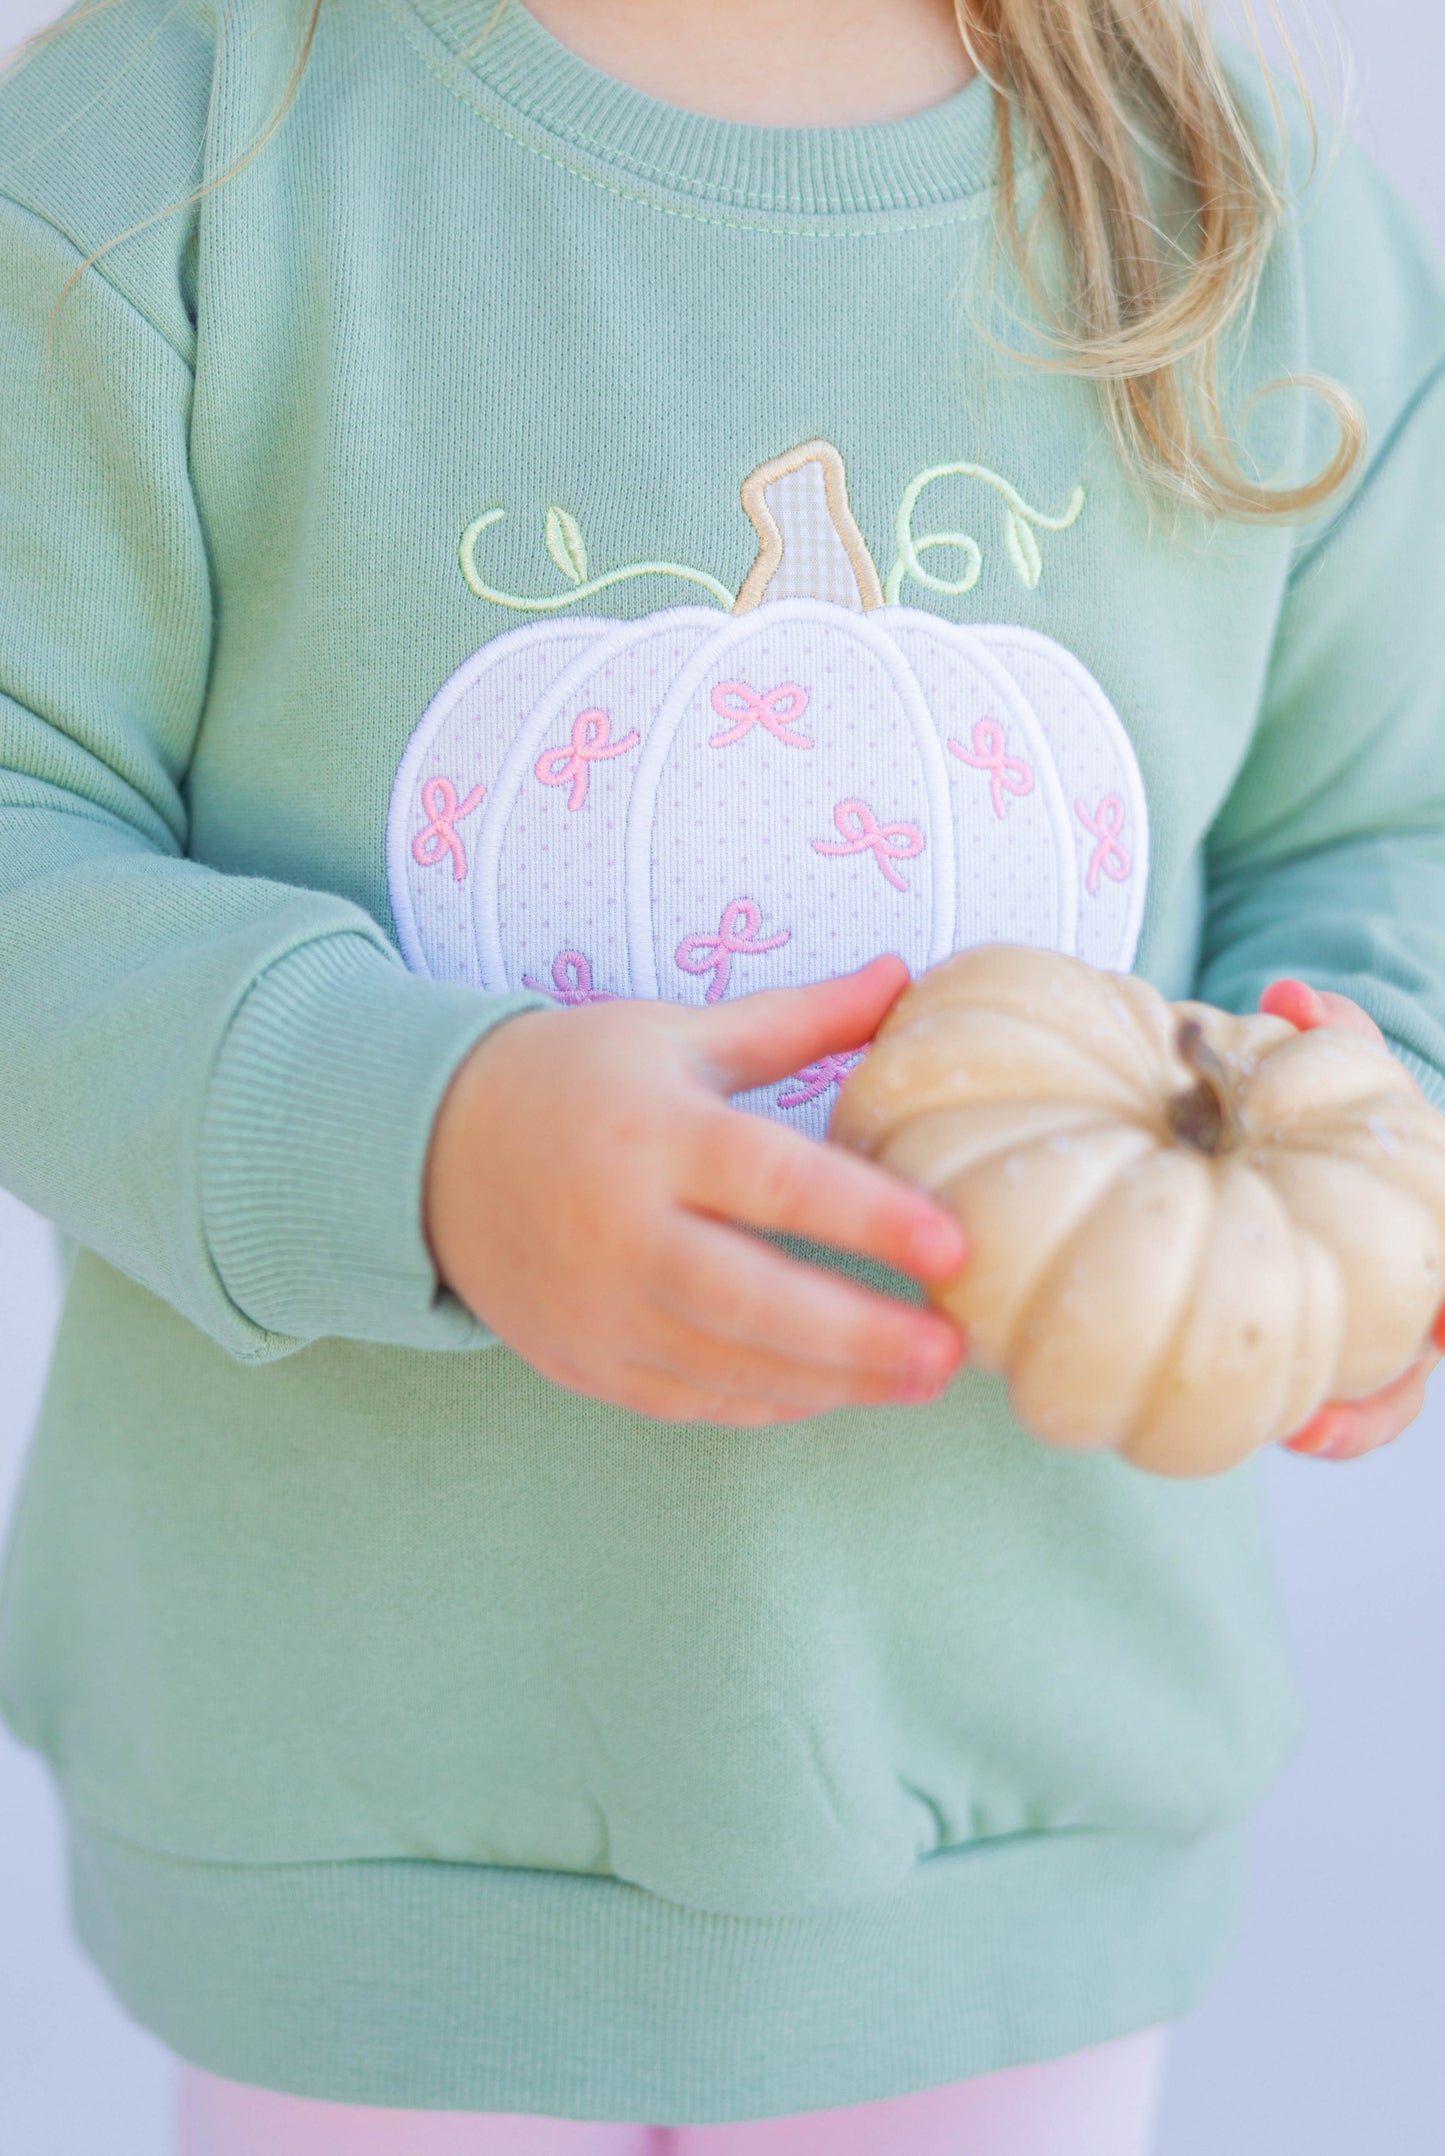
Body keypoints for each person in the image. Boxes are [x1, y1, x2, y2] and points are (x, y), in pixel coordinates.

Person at [2, 0, 1443, 2150]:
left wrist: (1367, 1149)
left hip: (1011, 1813)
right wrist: (423, 1140)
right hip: (376, 1830)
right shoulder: (175, 148)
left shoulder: (1238, 205)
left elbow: (1374, 829)